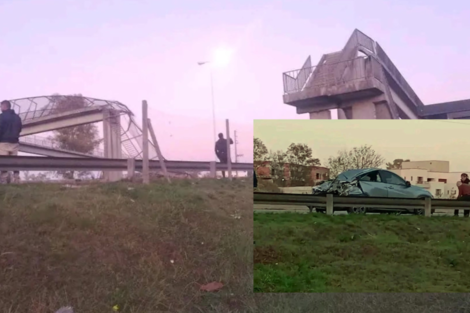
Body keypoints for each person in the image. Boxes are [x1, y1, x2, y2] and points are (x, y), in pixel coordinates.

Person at [0, 100, 22, 184]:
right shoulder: (17, 117)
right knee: (14, 162)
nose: (0, 108)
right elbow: (19, 129)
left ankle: (4, 181)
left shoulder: (1, 117)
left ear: (5, 106)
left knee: (3, 162)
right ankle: (17, 179)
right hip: (14, 142)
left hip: (3, 142)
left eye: (1, 106)